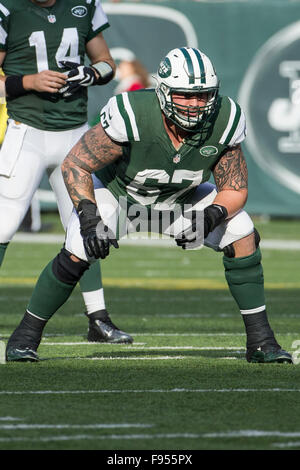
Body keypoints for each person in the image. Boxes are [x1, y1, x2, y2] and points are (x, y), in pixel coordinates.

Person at [6, 46, 292, 364]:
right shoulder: (133, 112)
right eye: (185, 95)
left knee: (242, 231)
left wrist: (212, 216)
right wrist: (89, 218)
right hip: (119, 195)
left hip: (179, 200)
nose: (196, 104)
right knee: (78, 247)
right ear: (164, 92)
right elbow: (75, 165)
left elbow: (235, 188)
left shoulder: (225, 118)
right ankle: (25, 336)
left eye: (203, 95)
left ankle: (261, 341)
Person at [0, 0, 133, 346]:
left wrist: (88, 73)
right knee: (4, 223)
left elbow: (107, 64)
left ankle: (98, 319)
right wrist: (29, 80)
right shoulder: (7, 8)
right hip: (26, 130)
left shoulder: (84, 4)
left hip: (75, 134)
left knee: (87, 226)